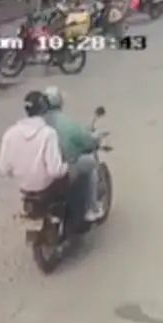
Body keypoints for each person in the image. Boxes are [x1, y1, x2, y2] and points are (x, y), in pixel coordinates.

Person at [42, 86, 104, 222]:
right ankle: (91, 209)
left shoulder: (39, 121)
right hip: (62, 168)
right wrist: (94, 141)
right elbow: (84, 140)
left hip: (40, 170)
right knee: (90, 164)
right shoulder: (65, 123)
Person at [0, 91, 69, 197]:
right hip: (44, 186)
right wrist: (66, 166)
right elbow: (55, 171)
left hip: (22, 185)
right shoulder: (48, 133)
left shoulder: (10, 133)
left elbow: (3, 169)